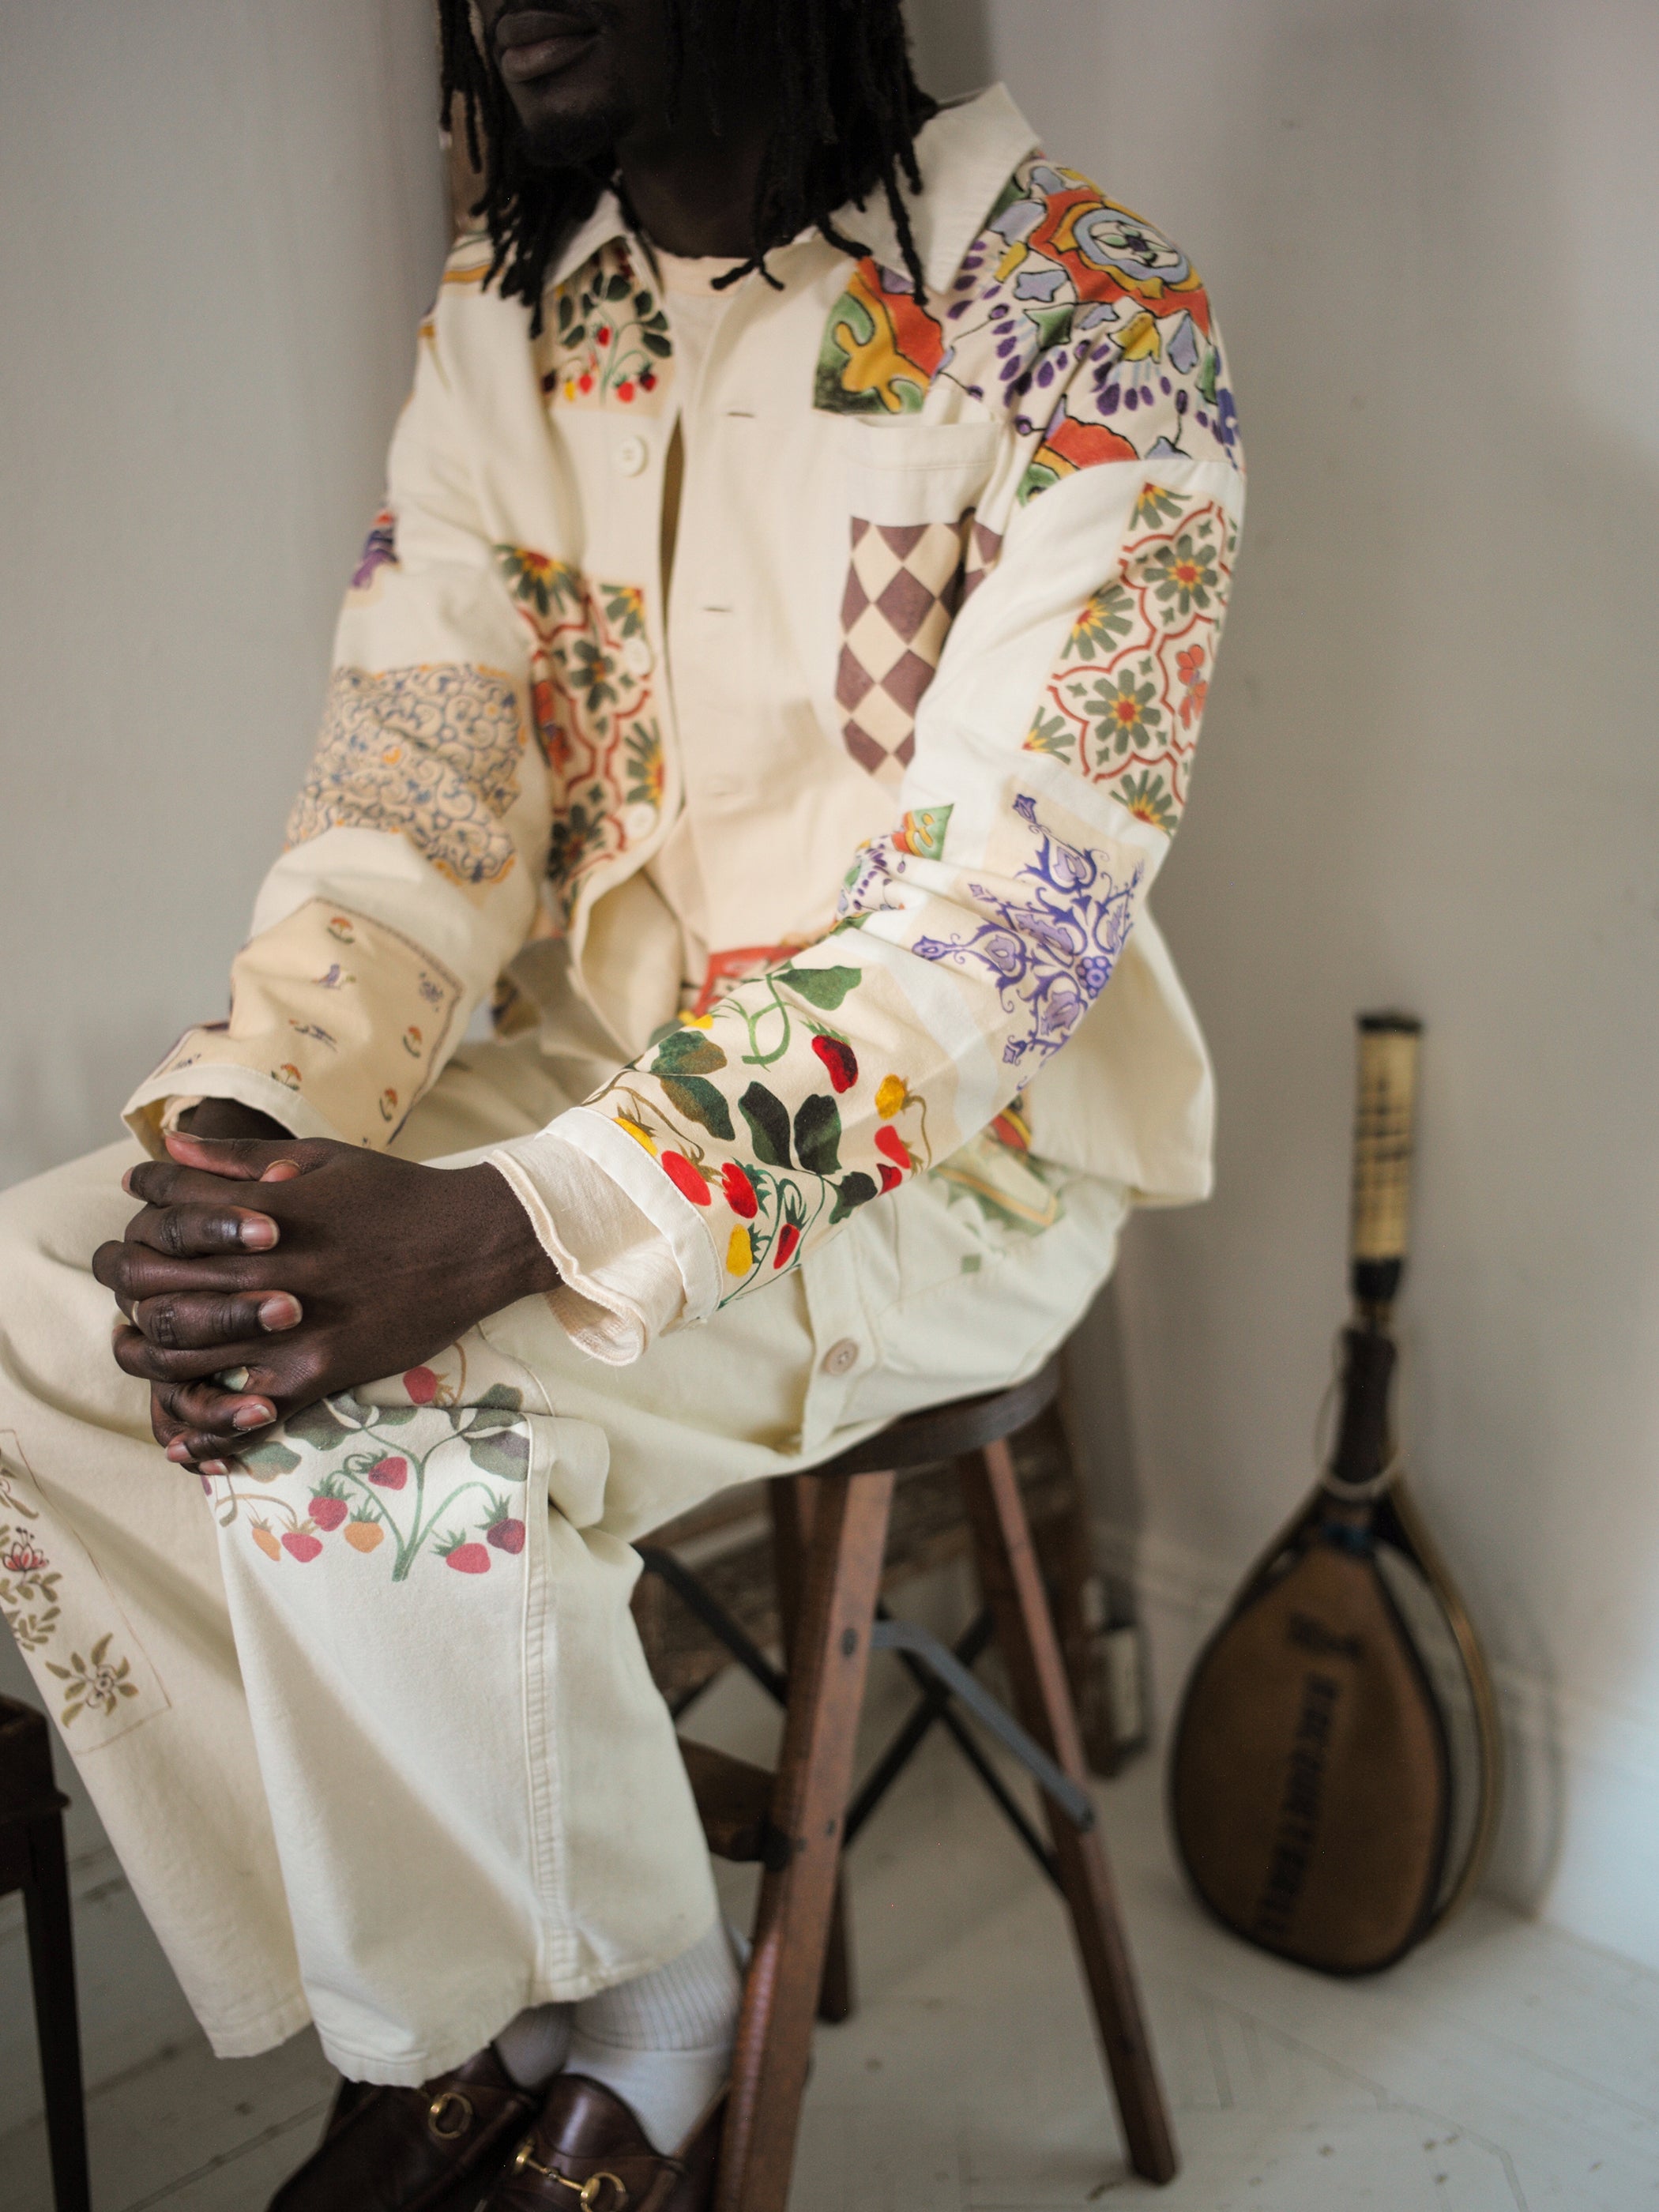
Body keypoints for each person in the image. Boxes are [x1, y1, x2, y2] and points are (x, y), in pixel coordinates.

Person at [0, 2, 1243, 2204]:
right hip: (589, 1062)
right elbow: (411, 811)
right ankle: (496, 2011)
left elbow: (995, 928)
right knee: (43, 1296)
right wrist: (237, 1148)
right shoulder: (513, 316)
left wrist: (509, 1224)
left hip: (954, 1152)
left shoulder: (1088, 319)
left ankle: (631, 2036)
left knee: (361, 1443)